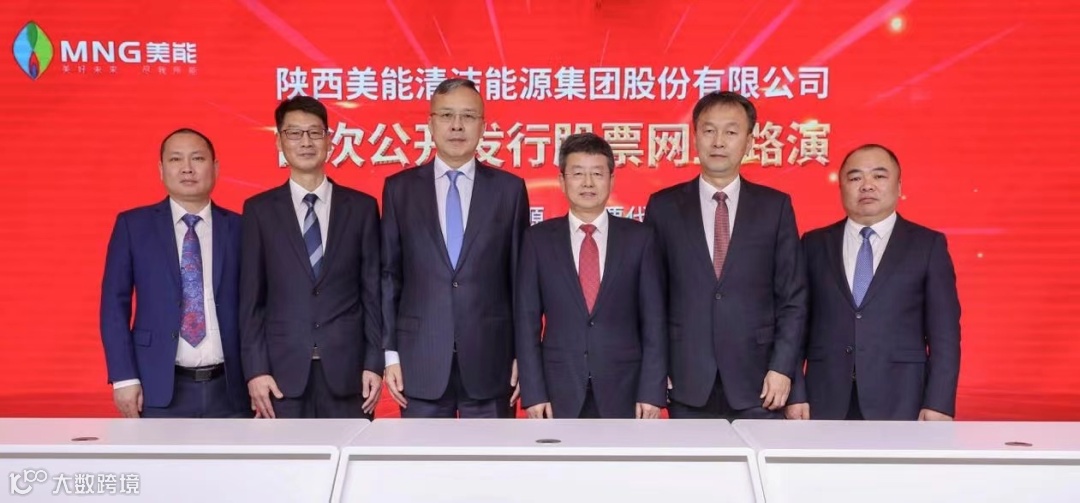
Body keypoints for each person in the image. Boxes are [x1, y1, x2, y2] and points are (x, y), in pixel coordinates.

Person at [644, 91, 807, 419]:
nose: (718, 141)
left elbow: (792, 298)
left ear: (749, 141)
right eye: (709, 130)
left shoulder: (774, 207)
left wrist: (782, 368)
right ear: (695, 137)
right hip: (686, 379)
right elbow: (652, 298)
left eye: (731, 132)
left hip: (760, 382)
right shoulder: (664, 206)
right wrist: (656, 372)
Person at [381, 78, 529, 418]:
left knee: (493, 453)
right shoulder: (400, 190)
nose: (457, 125)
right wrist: (390, 354)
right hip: (419, 359)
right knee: (421, 454)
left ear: (483, 126)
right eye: (447, 115)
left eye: (468, 116)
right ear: (431, 124)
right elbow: (389, 276)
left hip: (493, 361)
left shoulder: (509, 190)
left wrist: (523, 354)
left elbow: (520, 280)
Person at [786, 144, 961, 421]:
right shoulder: (813, 244)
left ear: (899, 186)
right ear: (841, 187)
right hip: (824, 398)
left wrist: (939, 402)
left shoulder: (927, 245)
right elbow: (794, 323)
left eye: (879, 176)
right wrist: (795, 392)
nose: (867, 185)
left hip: (903, 399)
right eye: (855, 177)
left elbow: (945, 333)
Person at [240, 96, 383, 419]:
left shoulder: (361, 208)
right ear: (279, 142)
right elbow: (251, 302)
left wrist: (374, 363)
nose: (305, 142)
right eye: (294, 133)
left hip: (350, 375)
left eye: (315, 133)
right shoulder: (259, 211)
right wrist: (256, 370)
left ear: (329, 140)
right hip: (280, 376)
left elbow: (373, 293)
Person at [515, 133, 667, 419]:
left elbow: (654, 321)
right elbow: (527, 323)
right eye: (577, 174)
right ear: (562, 181)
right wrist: (534, 392)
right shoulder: (537, 240)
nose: (587, 183)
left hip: (625, 387)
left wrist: (651, 390)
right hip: (558, 389)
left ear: (611, 180)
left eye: (597, 173)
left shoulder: (640, 239)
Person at [100, 128, 248, 418]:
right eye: (176, 159)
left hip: (232, 388)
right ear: (161, 169)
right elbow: (113, 305)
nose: (187, 168)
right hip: (156, 386)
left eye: (198, 158)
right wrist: (124, 377)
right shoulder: (133, 226)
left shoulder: (241, 228)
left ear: (216, 168)